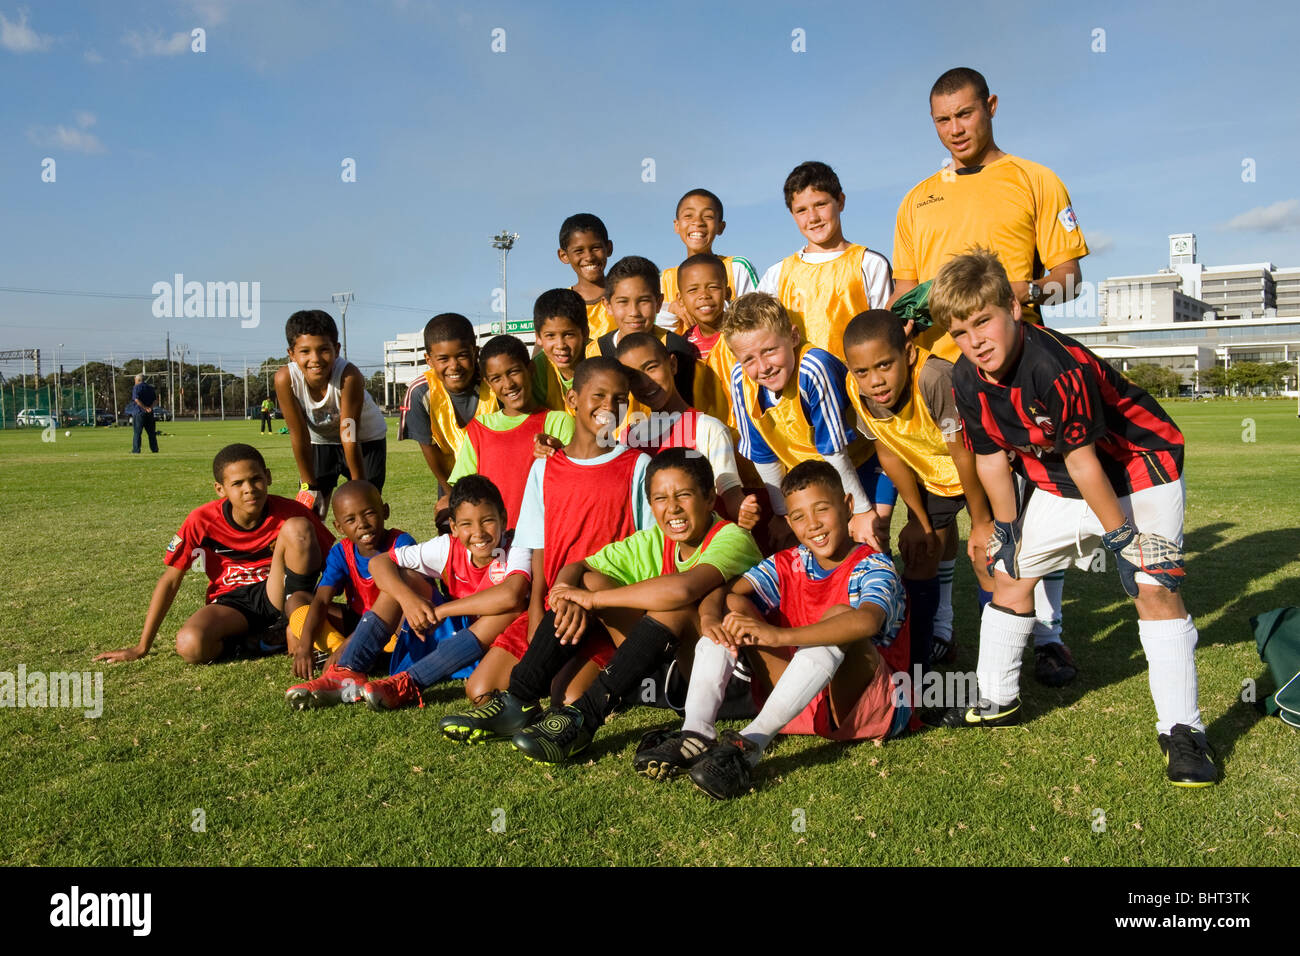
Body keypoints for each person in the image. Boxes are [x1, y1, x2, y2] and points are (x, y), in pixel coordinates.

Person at [927, 249, 1215, 788]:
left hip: (1137, 465)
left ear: (1014, 308)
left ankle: (1184, 731)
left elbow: (1088, 461)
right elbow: (990, 456)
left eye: (984, 321)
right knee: (1010, 572)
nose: (976, 341)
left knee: (1155, 588)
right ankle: (996, 697)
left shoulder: (1051, 365)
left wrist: (1123, 538)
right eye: (961, 331)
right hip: (1063, 474)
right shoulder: (966, 378)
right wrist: (1006, 527)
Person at [889, 67, 1091, 680]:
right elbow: (902, 293)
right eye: (943, 120)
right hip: (943, 376)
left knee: (1033, 504)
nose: (955, 129)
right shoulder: (916, 198)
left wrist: (1016, 291)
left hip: (1016, 371)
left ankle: (1048, 636)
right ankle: (944, 634)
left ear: (991, 106)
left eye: (966, 114)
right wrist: (907, 314)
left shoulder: (1036, 179)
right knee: (945, 515)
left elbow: (1071, 278)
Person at [446, 449, 763, 765]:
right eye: (660, 499)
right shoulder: (656, 539)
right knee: (588, 583)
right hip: (672, 667)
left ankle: (585, 718)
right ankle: (520, 699)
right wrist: (565, 588)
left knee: (669, 605)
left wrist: (594, 601)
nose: (673, 508)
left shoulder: (731, 536)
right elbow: (580, 565)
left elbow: (684, 588)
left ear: (710, 498)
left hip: (731, 681)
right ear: (650, 505)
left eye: (683, 495)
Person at [634, 460, 909, 800]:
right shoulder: (791, 560)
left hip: (868, 705)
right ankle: (696, 731)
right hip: (804, 696)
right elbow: (726, 589)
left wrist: (778, 636)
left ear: (848, 506)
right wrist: (709, 620)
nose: (813, 525)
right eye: (799, 517)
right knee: (733, 610)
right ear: (789, 520)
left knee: (839, 618)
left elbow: (867, 622)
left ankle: (750, 745)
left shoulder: (874, 565)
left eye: (822, 510)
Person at [438, 358, 654, 742]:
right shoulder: (545, 468)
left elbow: (649, 550)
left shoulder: (637, 466)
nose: (609, 406)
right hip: (554, 609)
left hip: (604, 610)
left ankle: (604, 680)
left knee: (564, 696)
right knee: (479, 688)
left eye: (620, 398)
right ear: (572, 398)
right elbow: (537, 552)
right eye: (598, 395)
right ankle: (523, 697)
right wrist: (537, 616)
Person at [289, 475, 532, 710]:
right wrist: (409, 600)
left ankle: (409, 683)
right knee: (404, 579)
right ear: (455, 528)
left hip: (496, 641)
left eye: (487, 520)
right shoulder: (448, 546)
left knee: (507, 610)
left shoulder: (516, 546)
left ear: (503, 518)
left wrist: (442, 610)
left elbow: (511, 596)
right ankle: (348, 670)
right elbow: (379, 564)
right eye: (467, 524)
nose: (478, 533)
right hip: (457, 632)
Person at [841, 309, 995, 670]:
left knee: (987, 556)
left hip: (983, 469)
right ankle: (919, 662)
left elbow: (964, 454)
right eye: (862, 371)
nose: (874, 380)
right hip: (935, 475)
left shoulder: (936, 377)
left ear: (909, 354)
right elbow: (888, 451)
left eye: (884, 365)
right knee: (918, 551)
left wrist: (982, 522)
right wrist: (918, 519)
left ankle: (995, 667)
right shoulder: (858, 389)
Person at [96, 444, 333, 665]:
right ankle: (254, 641)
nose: (249, 489)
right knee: (190, 645)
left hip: (280, 594)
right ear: (220, 489)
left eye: (256, 479)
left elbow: (337, 559)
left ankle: (292, 624)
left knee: (297, 528)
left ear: (268, 477)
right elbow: (170, 580)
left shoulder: (290, 511)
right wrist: (141, 646)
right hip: (232, 602)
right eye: (238, 483)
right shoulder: (201, 521)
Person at [723, 291, 892, 553]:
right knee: (815, 549)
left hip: (862, 463)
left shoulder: (813, 367)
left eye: (769, 351)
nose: (763, 367)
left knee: (869, 540)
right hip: (809, 476)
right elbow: (763, 455)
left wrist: (860, 510)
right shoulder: (740, 381)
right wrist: (782, 514)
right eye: (749, 359)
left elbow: (833, 450)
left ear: (793, 337)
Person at [614, 331, 755, 528]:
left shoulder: (708, 429)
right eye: (634, 377)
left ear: (672, 364)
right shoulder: (628, 437)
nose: (646, 383)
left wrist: (744, 510)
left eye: (652, 368)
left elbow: (731, 495)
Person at [757, 161, 892, 362]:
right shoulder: (778, 274)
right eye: (801, 210)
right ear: (792, 215)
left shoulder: (869, 264)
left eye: (820, 204)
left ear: (841, 202)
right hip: (800, 390)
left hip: (856, 388)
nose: (812, 217)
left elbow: (886, 336)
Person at [282, 480, 415, 683]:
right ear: (339, 527)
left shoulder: (401, 544)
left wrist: (347, 647)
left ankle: (355, 653)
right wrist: (305, 645)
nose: (362, 524)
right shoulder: (341, 552)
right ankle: (340, 648)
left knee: (405, 608)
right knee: (297, 600)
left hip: (392, 624)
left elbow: (410, 598)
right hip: (357, 620)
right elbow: (321, 601)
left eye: (369, 513)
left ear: (385, 511)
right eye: (350, 520)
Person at [443, 335, 575, 528]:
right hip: (496, 539)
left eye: (513, 372)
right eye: (496, 378)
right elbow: (465, 490)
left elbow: (577, 482)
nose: (508, 384)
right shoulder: (479, 428)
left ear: (530, 369)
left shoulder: (558, 421)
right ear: (489, 383)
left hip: (546, 537)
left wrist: (559, 453)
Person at [588, 255, 730, 425]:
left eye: (644, 301)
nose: (634, 312)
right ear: (607, 305)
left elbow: (690, 410)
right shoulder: (595, 351)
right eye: (623, 302)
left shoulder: (677, 348)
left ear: (659, 302)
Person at [274, 310, 387, 519]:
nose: (315, 359)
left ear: (336, 349)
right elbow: (298, 435)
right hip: (321, 440)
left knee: (365, 510)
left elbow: (349, 436)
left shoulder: (349, 376)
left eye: (323, 350)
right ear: (291, 353)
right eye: (305, 351)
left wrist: (359, 486)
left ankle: (369, 551)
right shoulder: (285, 379)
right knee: (312, 512)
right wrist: (308, 485)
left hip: (365, 440)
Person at [398, 312, 498, 499]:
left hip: (499, 479)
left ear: (475, 352)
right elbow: (430, 450)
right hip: (451, 483)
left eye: (462, 356)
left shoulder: (494, 381)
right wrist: (449, 494)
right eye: (443, 359)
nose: (454, 366)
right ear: (429, 360)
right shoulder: (420, 393)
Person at [657, 188, 758, 332]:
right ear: (677, 226)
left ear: (720, 227)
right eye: (688, 216)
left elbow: (757, 318)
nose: (698, 222)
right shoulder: (665, 278)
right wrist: (671, 310)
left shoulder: (737, 267)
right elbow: (655, 333)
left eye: (708, 216)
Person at [558, 213, 616, 340]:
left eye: (596, 248)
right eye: (579, 251)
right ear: (564, 255)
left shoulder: (624, 298)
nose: (589, 257)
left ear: (609, 248)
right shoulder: (559, 305)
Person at [530, 288, 589, 413]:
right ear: (538, 338)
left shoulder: (599, 356)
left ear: (585, 333)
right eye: (550, 336)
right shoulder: (539, 369)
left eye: (568, 335)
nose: (561, 345)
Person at [128, 373, 159, 454]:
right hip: (149, 413)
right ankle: (154, 449)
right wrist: (150, 408)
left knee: (137, 433)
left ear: (138, 380)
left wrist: (144, 407)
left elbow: (136, 399)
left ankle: (136, 450)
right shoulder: (150, 388)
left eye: (135, 380)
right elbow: (155, 400)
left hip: (139, 412)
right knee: (151, 433)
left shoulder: (136, 387)